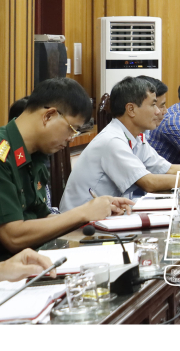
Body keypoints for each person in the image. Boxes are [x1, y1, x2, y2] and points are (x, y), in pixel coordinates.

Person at [60, 77, 180, 212]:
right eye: (153, 105)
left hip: (111, 214)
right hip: (79, 225)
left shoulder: (136, 137)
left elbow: (169, 169)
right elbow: (150, 182)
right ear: (131, 109)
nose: (159, 112)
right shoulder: (112, 140)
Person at [0, 78, 132, 261]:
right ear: (49, 116)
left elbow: (42, 220)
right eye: (72, 129)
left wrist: (95, 211)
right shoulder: (3, 155)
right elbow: (13, 237)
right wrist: (82, 213)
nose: (71, 138)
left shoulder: (36, 155)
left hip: (38, 259)